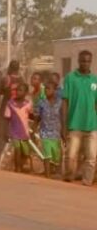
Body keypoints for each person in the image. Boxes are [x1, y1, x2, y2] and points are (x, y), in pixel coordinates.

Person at [62, 50, 97, 185]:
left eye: (88, 61)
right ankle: (68, 179)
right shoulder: (70, 78)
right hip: (74, 123)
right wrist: (64, 124)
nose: (85, 64)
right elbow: (65, 101)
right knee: (71, 155)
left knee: (91, 157)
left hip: (92, 125)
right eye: (83, 61)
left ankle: (87, 182)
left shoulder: (95, 80)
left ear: (91, 62)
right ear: (78, 61)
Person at [0, 60, 24, 164]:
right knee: (15, 135)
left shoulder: (7, 79)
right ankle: (14, 160)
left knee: (0, 135)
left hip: (6, 109)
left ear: (10, 67)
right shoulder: (22, 79)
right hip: (18, 110)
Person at [35, 80, 64, 177]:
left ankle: (57, 174)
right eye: (45, 88)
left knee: (56, 155)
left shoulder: (60, 103)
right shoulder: (41, 102)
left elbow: (63, 117)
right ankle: (47, 176)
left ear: (55, 90)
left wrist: (64, 131)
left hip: (56, 133)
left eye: (49, 88)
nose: (46, 90)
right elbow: (38, 117)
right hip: (45, 132)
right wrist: (33, 129)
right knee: (47, 155)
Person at [5, 83, 33, 173]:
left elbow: (31, 115)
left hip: (24, 132)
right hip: (14, 131)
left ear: (26, 93)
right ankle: (17, 168)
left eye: (21, 90)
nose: (18, 92)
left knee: (25, 152)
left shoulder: (28, 104)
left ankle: (22, 165)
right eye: (17, 90)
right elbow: (7, 118)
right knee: (17, 149)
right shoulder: (10, 103)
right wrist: (7, 131)